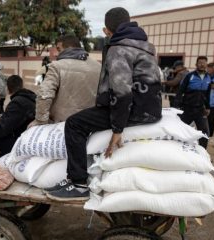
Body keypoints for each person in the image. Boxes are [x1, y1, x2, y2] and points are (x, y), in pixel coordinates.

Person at [45, 7, 162, 201]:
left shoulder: (118, 49)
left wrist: (118, 128)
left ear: (107, 30)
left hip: (133, 110)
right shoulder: (144, 46)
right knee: (89, 115)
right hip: (150, 109)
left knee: (74, 124)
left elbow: (122, 93)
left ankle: (78, 183)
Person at [29, 34, 101, 126]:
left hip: (63, 126)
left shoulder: (56, 66)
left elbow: (44, 95)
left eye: (58, 49)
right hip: (91, 125)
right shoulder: (98, 66)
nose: (56, 53)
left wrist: (40, 121)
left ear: (69, 47)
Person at [175, 56, 211, 148]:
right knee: (180, 129)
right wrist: (177, 105)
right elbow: (180, 91)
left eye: (204, 62)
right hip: (188, 109)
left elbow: (208, 94)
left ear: (206, 64)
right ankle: (177, 147)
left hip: (200, 110)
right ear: (196, 64)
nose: (202, 64)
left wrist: (208, 107)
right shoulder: (190, 76)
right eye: (200, 62)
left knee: (204, 132)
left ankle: (203, 152)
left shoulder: (208, 77)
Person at [207, 62, 214, 136]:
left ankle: (210, 135)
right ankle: (205, 134)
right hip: (206, 103)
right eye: (208, 68)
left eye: (209, 68)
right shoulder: (206, 76)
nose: (208, 69)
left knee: (211, 120)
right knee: (206, 120)